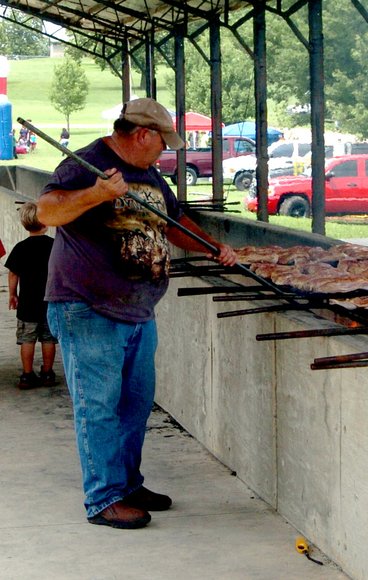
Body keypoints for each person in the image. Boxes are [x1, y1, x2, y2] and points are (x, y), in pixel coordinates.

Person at [36, 97, 238, 530]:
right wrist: (97, 194)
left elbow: (174, 220)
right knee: (98, 408)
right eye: (162, 143)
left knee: (134, 404)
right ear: (142, 134)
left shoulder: (148, 173)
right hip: (87, 306)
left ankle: (126, 483)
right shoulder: (87, 163)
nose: (164, 152)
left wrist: (213, 247)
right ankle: (104, 498)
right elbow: (45, 212)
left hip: (137, 310)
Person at [5, 202, 57, 390]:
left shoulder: (21, 247)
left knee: (27, 340)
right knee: (48, 339)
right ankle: (48, 373)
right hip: (49, 302)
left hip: (27, 304)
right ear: (46, 222)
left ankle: (27, 375)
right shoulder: (54, 246)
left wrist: (13, 294)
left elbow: (13, 273)